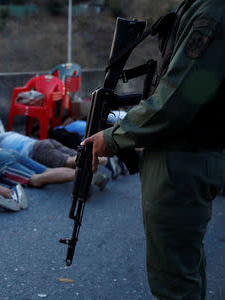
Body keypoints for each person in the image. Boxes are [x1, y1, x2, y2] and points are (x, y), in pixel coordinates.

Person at [81, 0, 224, 298]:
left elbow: (177, 98)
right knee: (183, 269)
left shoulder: (211, 11)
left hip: (183, 156)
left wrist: (114, 136)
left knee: (174, 282)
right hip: (181, 153)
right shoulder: (199, 6)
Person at [0, 128, 109, 190]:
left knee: (69, 162)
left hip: (36, 150)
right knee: (77, 155)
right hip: (45, 142)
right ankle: (97, 178)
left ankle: (103, 160)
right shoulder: (9, 133)